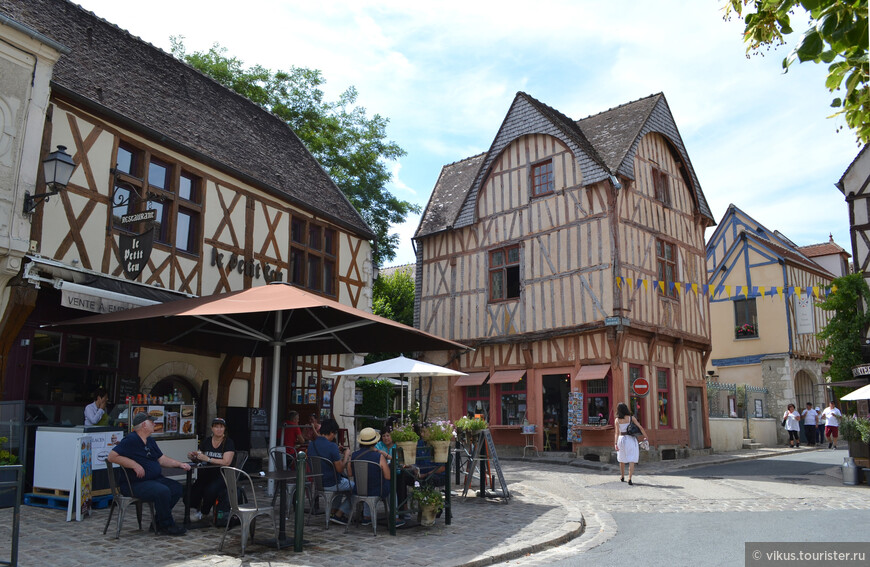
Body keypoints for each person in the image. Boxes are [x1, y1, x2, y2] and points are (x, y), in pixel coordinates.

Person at [107, 412, 191, 535]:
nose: (154, 424)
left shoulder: (150, 441)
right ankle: (167, 525)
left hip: (153, 479)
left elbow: (161, 459)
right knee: (162, 491)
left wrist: (179, 464)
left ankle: (158, 522)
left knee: (177, 488)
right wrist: (134, 464)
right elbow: (112, 456)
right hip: (134, 484)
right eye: (151, 422)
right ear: (143, 425)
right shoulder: (131, 439)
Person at [349, 427, 404, 527]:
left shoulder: (354, 455)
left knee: (366, 483)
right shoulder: (379, 457)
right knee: (391, 486)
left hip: (359, 489)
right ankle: (395, 517)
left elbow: (349, 473)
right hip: (376, 491)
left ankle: (367, 517)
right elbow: (388, 476)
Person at [187, 417, 235, 522]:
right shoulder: (207, 441)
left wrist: (208, 458)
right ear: (212, 428)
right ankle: (193, 509)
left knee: (211, 490)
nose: (219, 429)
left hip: (222, 475)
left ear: (224, 429)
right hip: (207, 472)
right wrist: (194, 456)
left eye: (221, 427)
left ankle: (204, 512)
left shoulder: (228, 442)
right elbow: (200, 454)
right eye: (216, 427)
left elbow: (227, 462)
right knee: (195, 487)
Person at [307, 418, 353, 525]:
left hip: (319, 483)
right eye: (334, 434)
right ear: (332, 432)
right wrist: (346, 456)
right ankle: (339, 514)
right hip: (332, 483)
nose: (334, 436)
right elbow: (340, 469)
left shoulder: (311, 445)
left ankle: (333, 512)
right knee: (358, 489)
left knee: (342, 485)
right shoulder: (332, 446)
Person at [613, 402, 647, 486]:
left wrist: (615, 443)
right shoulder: (631, 418)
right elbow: (640, 427)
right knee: (631, 459)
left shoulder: (617, 420)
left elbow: (616, 433)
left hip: (621, 439)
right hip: (630, 439)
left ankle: (622, 476)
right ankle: (630, 478)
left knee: (622, 459)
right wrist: (646, 436)